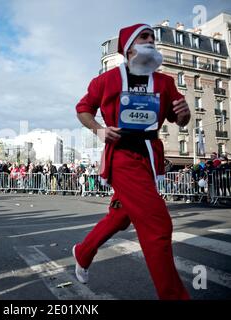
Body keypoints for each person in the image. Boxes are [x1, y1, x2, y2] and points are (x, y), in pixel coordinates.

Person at [72, 24, 190, 300]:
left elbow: (180, 119)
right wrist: (99, 130)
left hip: (150, 156)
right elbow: (83, 109)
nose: (150, 41)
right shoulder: (106, 80)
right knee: (157, 224)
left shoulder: (165, 82)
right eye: (144, 37)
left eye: (152, 38)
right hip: (122, 155)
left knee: (121, 214)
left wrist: (185, 114)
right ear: (128, 47)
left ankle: (84, 250)